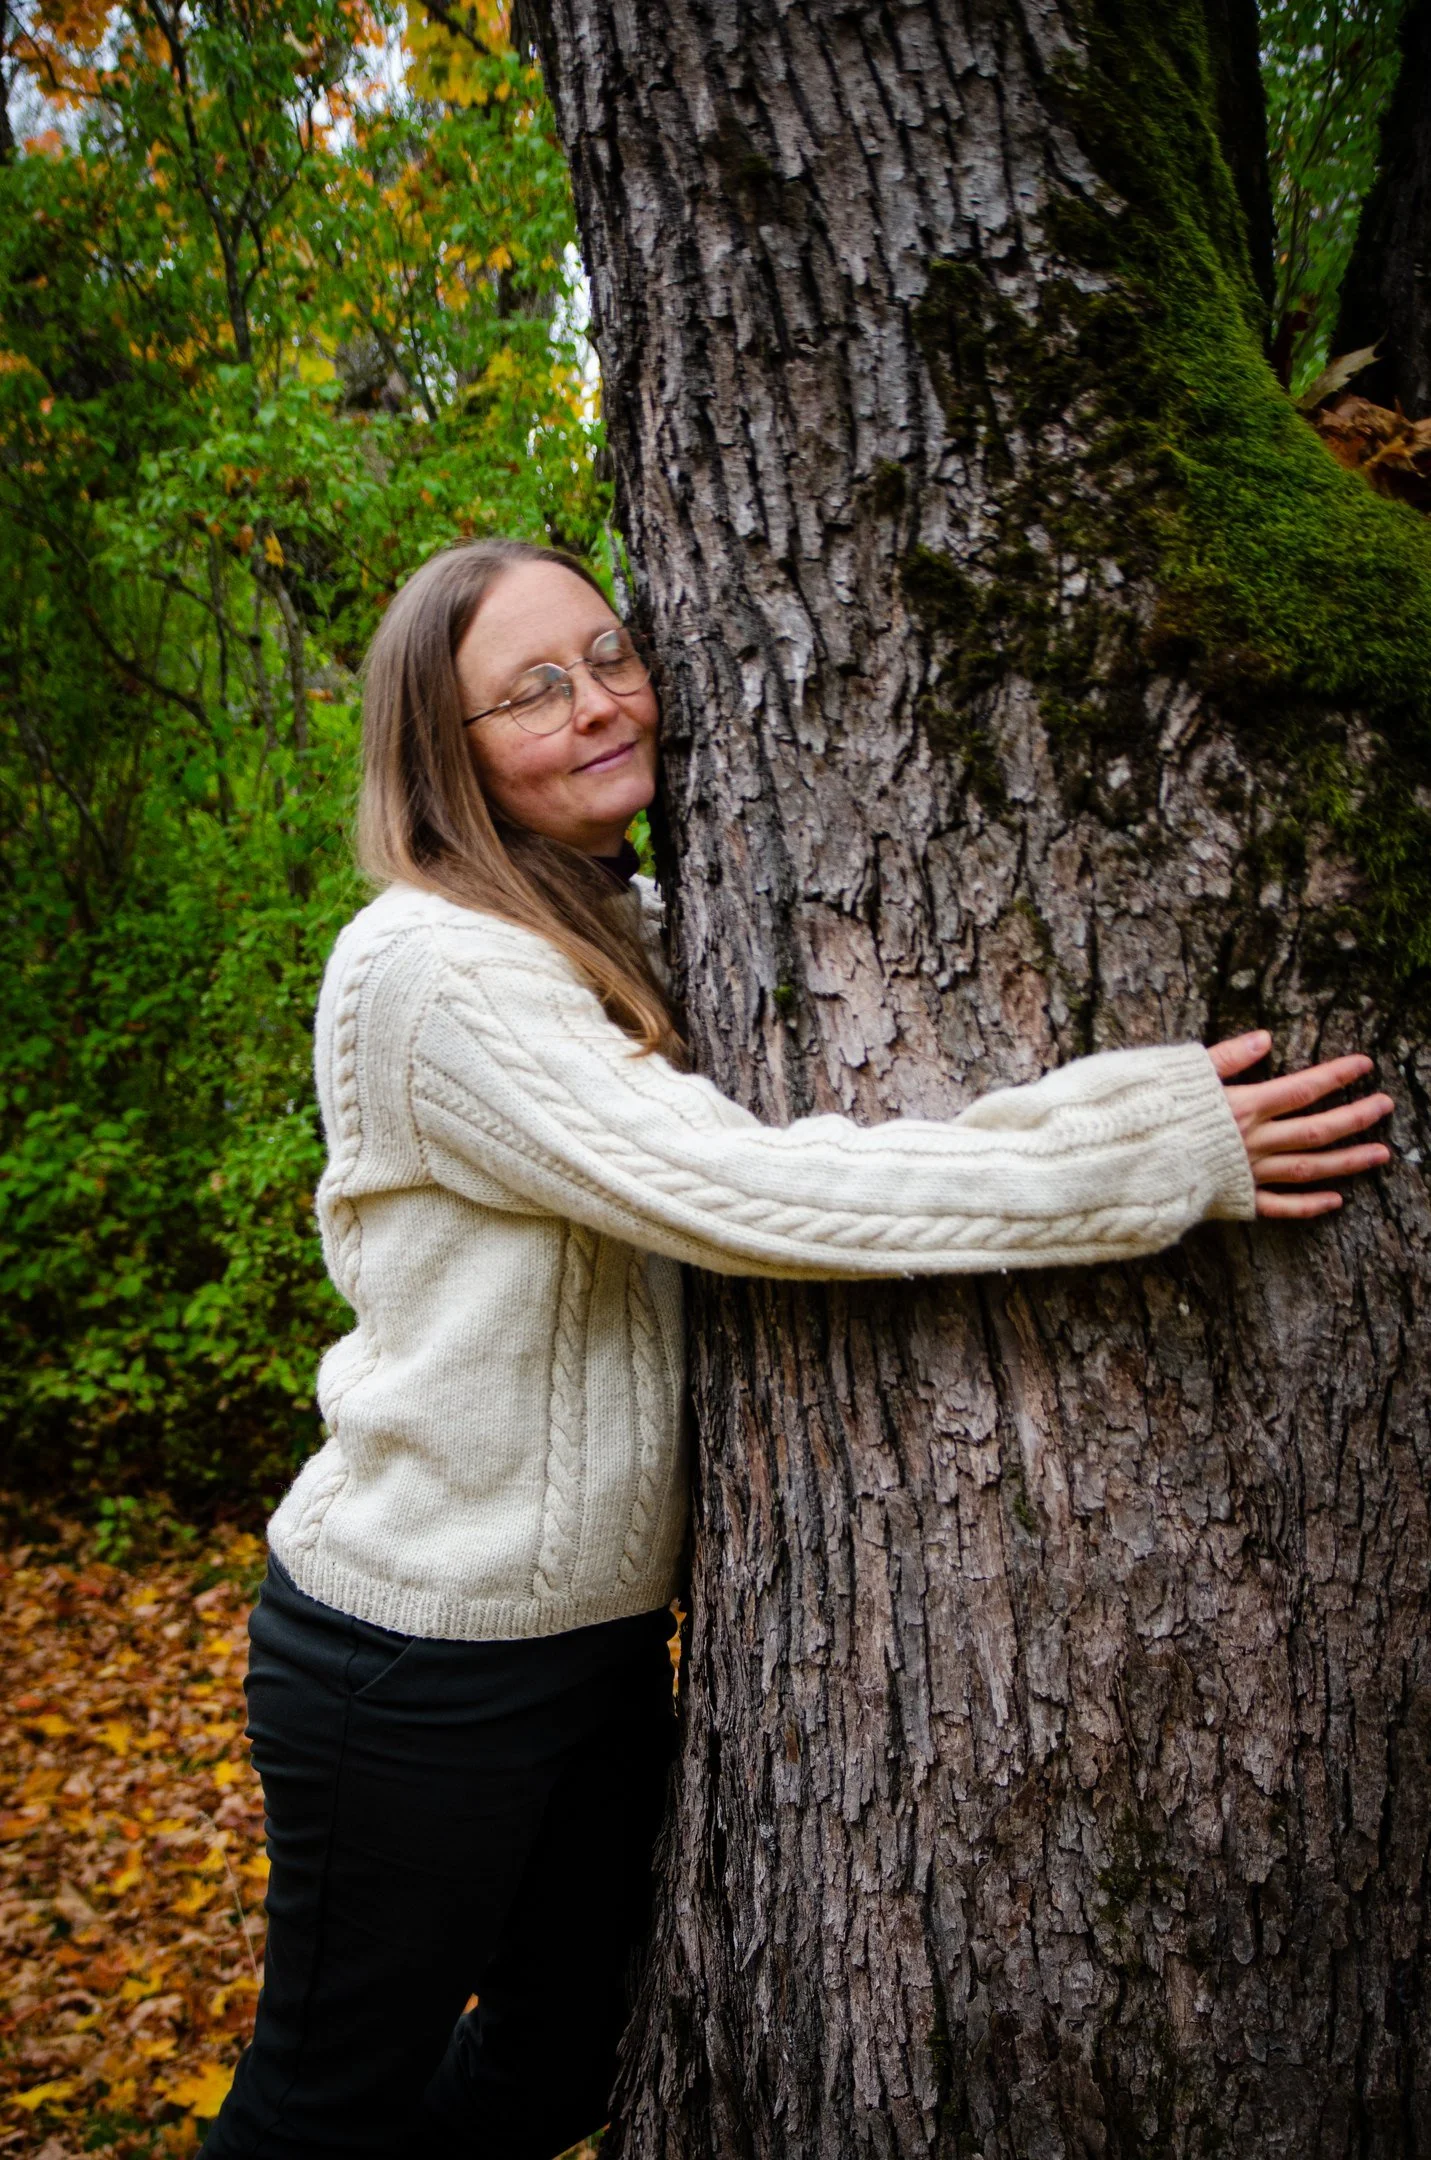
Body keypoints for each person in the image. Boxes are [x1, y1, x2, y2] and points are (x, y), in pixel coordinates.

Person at [201, 538, 1392, 2160]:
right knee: (325, 2102)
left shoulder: (613, 926)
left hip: (593, 1640)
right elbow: (743, 1190)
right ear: (443, 751)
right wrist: (1135, 1149)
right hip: (414, 1653)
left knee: (567, 2065)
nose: (600, 701)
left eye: (609, 652)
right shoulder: (431, 965)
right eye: (530, 690)